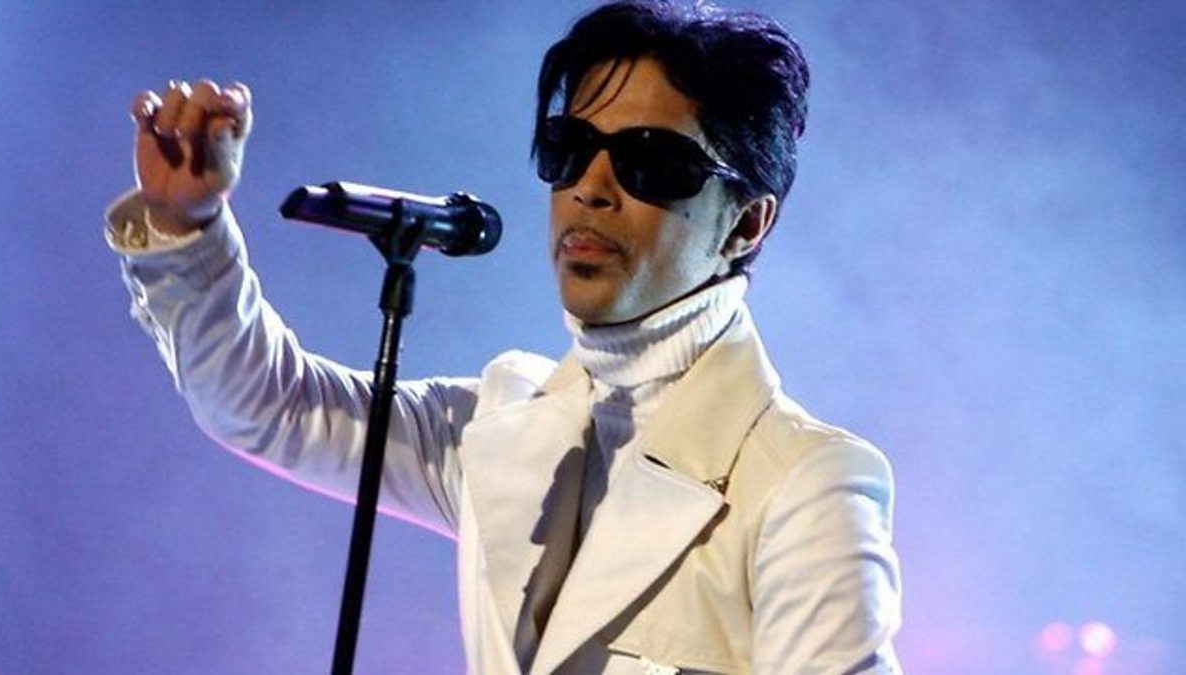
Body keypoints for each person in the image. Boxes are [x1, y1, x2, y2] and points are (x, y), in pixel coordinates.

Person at [106, 1, 902, 673]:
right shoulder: (501, 420)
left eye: (650, 163)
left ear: (747, 223)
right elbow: (270, 406)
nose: (590, 188)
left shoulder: (803, 485)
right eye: (568, 150)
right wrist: (188, 228)